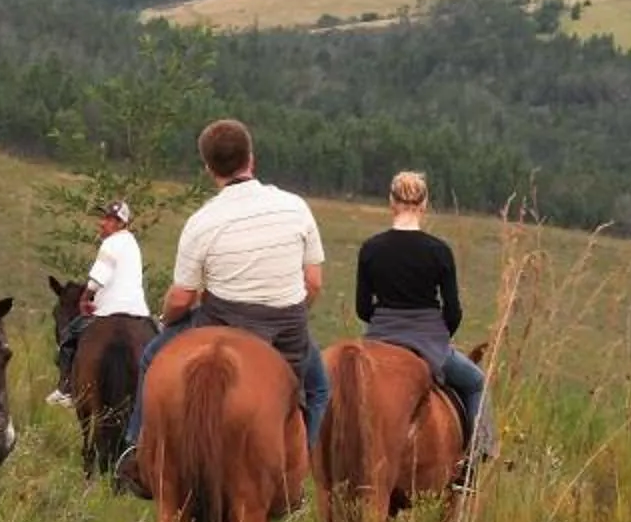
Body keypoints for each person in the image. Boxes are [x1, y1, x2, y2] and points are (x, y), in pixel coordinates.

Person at [114, 119, 329, 493]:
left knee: (151, 357)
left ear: (209, 169)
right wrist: (286, 309)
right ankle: (297, 470)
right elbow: (313, 283)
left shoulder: (202, 221)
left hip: (222, 325)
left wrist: (169, 321)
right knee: (320, 389)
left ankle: (137, 448)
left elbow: (182, 297)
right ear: (252, 159)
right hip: (287, 335)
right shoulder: (296, 208)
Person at [353, 169, 495, 474]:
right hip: (429, 342)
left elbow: (363, 308)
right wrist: (440, 336)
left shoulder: (371, 248)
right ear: (424, 203)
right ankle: (475, 461)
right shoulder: (438, 251)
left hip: (380, 340)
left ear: (391, 202)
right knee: (476, 382)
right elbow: (454, 311)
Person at [47, 193, 151, 405]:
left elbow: (97, 279)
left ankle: (66, 388)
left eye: (109, 220)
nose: (102, 223)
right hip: (139, 311)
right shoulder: (133, 245)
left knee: (68, 339)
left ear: (121, 223)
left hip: (109, 310)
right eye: (104, 218)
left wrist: (85, 298)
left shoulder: (111, 243)